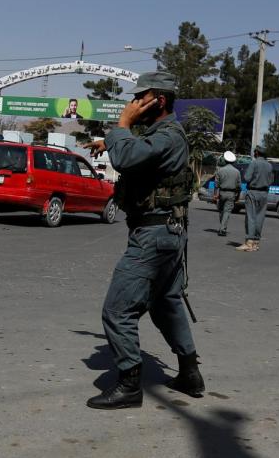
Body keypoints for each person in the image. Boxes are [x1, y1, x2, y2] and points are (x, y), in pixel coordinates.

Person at [82, 71, 204, 410]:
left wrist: (121, 124)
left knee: (117, 310)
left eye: (141, 97)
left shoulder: (168, 136)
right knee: (166, 304)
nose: (134, 103)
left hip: (153, 236)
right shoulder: (162, 135)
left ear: (159, 100)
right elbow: (139, 153)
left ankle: (129, 384)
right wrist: (109, 141)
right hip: (166, 233)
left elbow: (127, 158)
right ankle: (190, 373)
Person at [237, 145, 273, 252]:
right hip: (264, 194)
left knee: (250, 217)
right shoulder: (269, 165)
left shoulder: (254, 163)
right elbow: (271, 181)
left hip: (253, 192)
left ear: (257, 153)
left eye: (254, 151)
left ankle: (249, 242)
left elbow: (247, 178)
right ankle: (256, 243)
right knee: (260, 218)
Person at [213, 151, 241, 237]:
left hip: (222, 193)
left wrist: (215, 195)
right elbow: (239, 187)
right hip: (231, 194)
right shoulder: (237, 172)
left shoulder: (220, 170)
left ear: (225, 160)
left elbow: (216, 185)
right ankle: (222, 229)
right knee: (227, 212)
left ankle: (222, 227)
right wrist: (237, 197)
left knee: (221, 211)